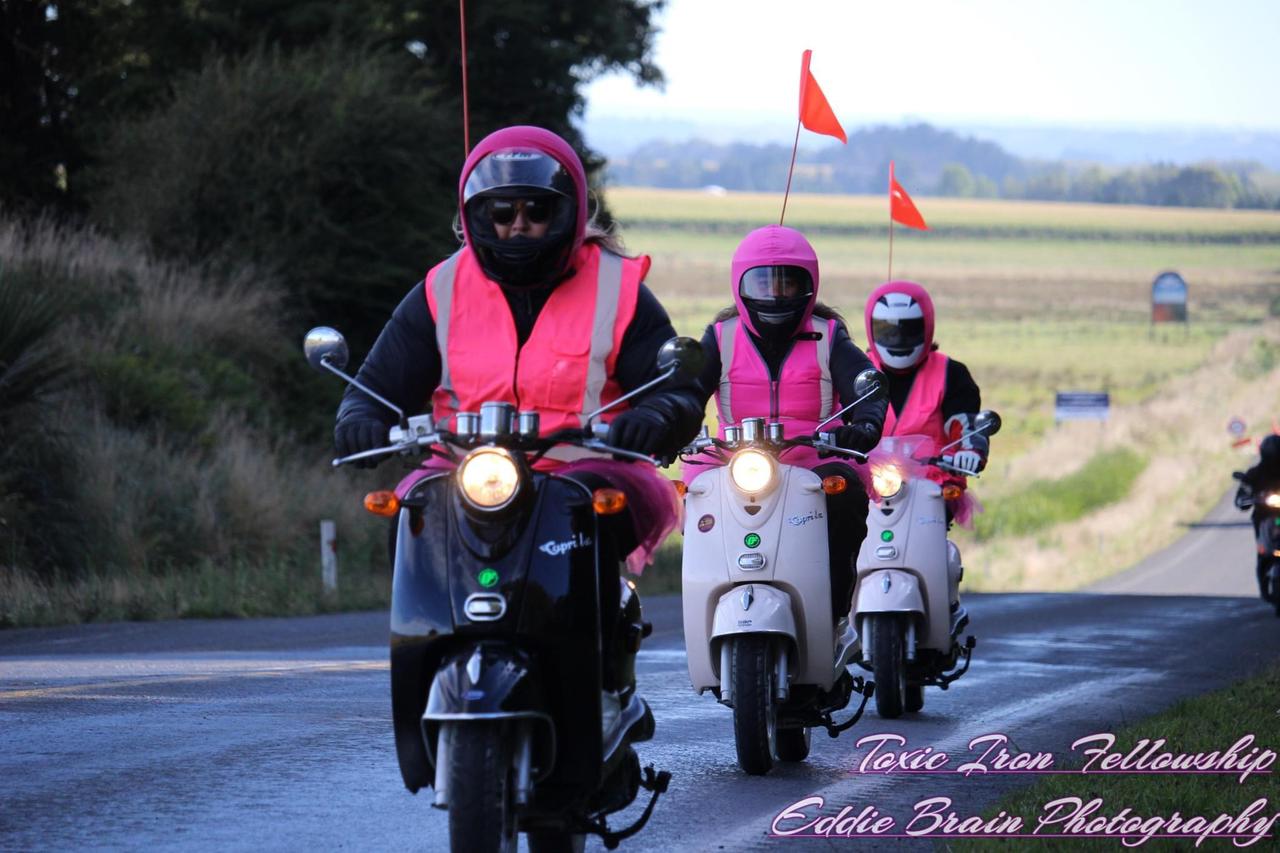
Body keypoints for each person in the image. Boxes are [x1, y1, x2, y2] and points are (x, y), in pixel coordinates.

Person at [332, 124, 704, 734]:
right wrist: (359, 418)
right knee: (411, 508)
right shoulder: (441, 288)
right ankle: (429, 656)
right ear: (475, 216)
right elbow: (379, 380)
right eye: (501, 213)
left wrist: (656, 417)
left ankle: (607, 680)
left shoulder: (618, 288)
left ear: (572, 210)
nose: (519, 226)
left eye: (538, 210)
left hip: (583, 465)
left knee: (589, 510)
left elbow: (676, 384)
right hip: (466, 466)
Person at [686, 224, 888, 627]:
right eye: (763, 283)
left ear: (808, 285)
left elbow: (864, 385)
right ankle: (704, 602)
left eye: (788, 284)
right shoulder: (721, 337)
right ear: (740, 285)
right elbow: (687, 393)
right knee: (696, 499)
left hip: (814, 460)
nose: (776, 295)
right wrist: (667, 420)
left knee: (845, 494)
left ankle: (833, 616)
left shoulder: (828, 336)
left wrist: (865, 424)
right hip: (732, 461)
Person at [864, 280, 986, 526]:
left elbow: (965, 422)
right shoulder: (860, 370)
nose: (898, 339)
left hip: (934, 480)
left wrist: (970, 451)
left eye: (909, 330)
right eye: (887, 330)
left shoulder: (952, 372)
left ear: (927, 326)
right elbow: (837, 415)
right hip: (871, 481)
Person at [1234, 434, 1280, 600]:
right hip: (1264, 517)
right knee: (1263, 552)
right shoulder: (1255, 473)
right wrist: (1243, 499)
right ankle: (1264, 584)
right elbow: (1244, 491)